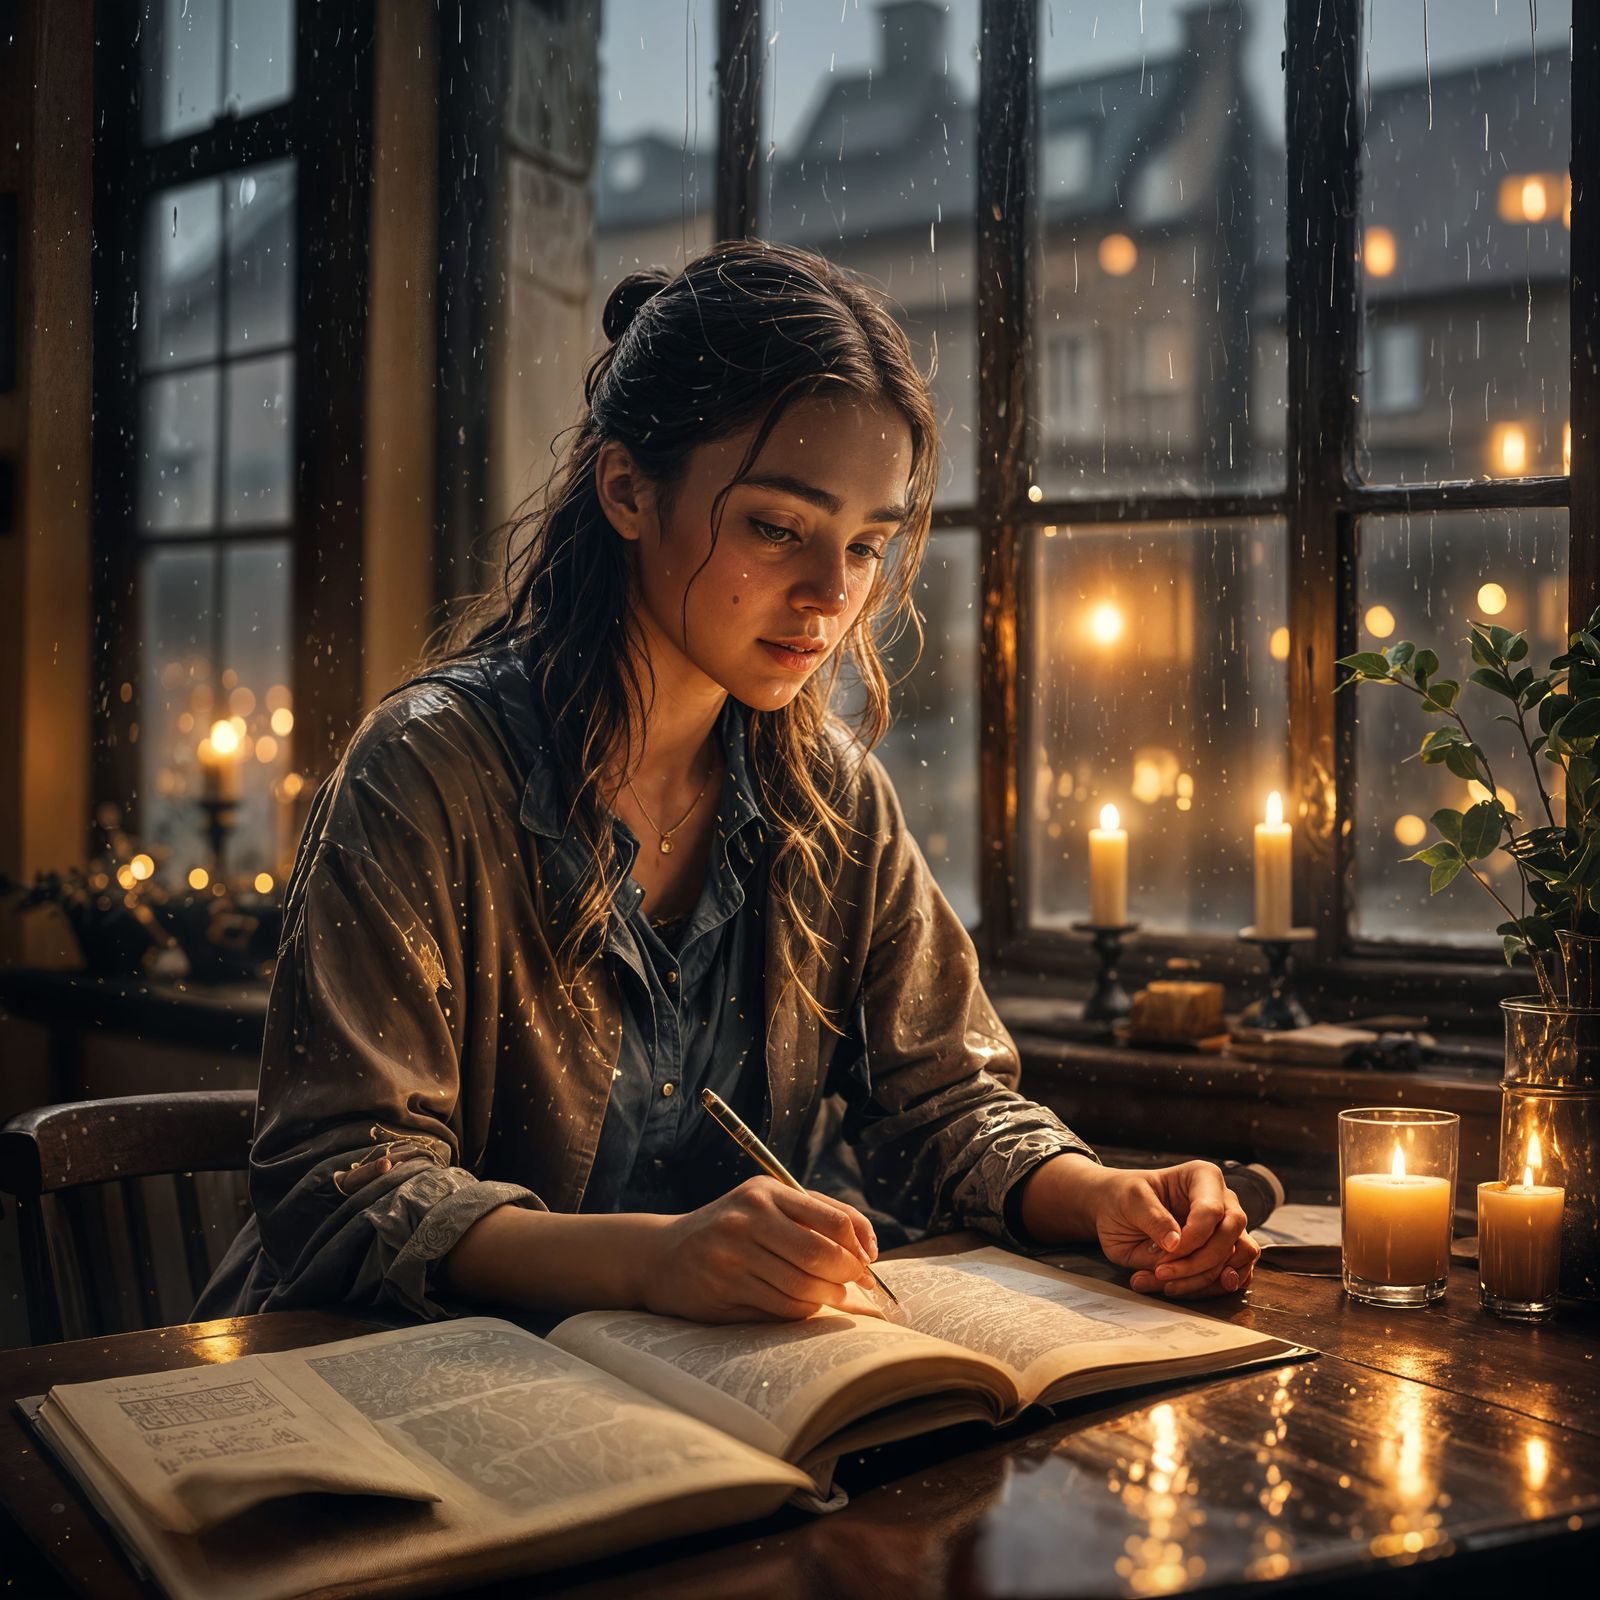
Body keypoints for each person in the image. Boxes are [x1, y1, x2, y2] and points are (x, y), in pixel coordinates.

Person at [196, 240, 1259, 1327]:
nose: (827, 594)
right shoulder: (424, 773)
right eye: (775, 527)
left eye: (864, 546)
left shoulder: (833, 799)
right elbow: (345, 1184)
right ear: (625, 488)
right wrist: (655, 1260)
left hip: (711, 1395)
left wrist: (1097, 1195)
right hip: (384, 1383)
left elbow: (943, 1099)